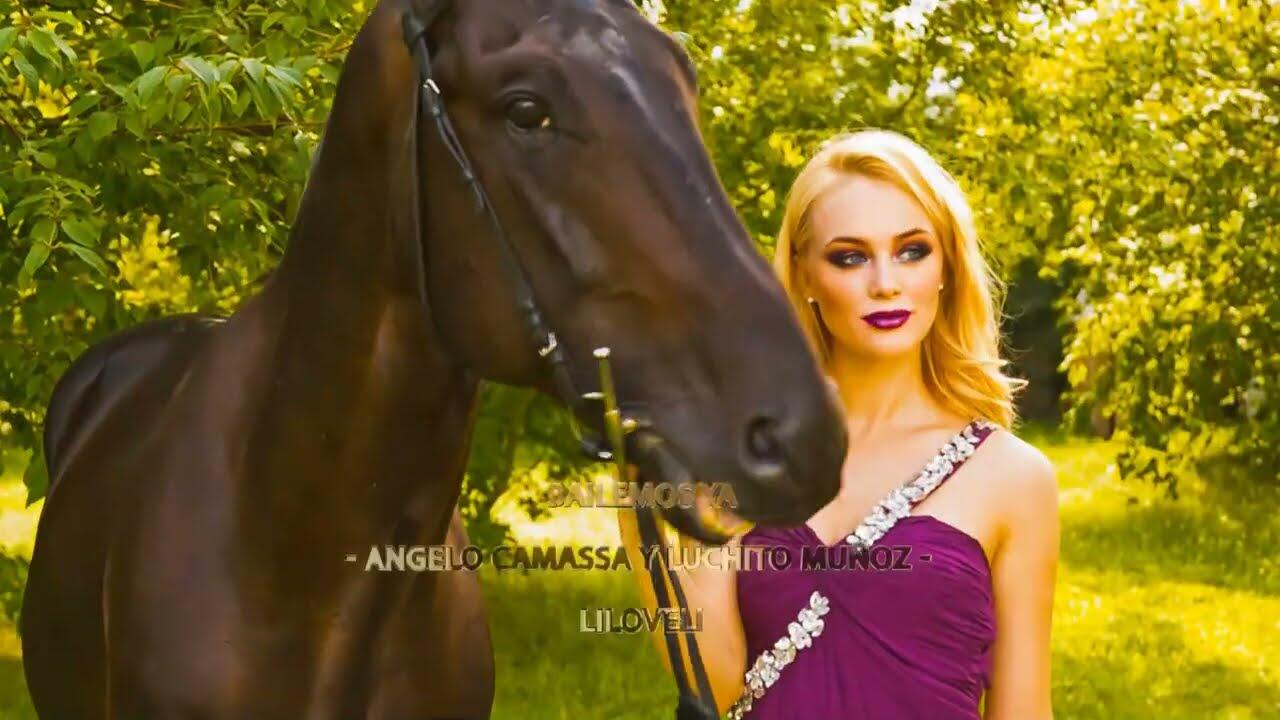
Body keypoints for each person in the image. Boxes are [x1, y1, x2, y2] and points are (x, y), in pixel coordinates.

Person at [618, 129, 1059, 719]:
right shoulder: (747, 457)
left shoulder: (1012, 477)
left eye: (912, 251)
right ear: (804, 275)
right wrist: (638, 501)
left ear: (947, 265)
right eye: (849, 257)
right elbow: (715, 688)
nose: (885, 283)